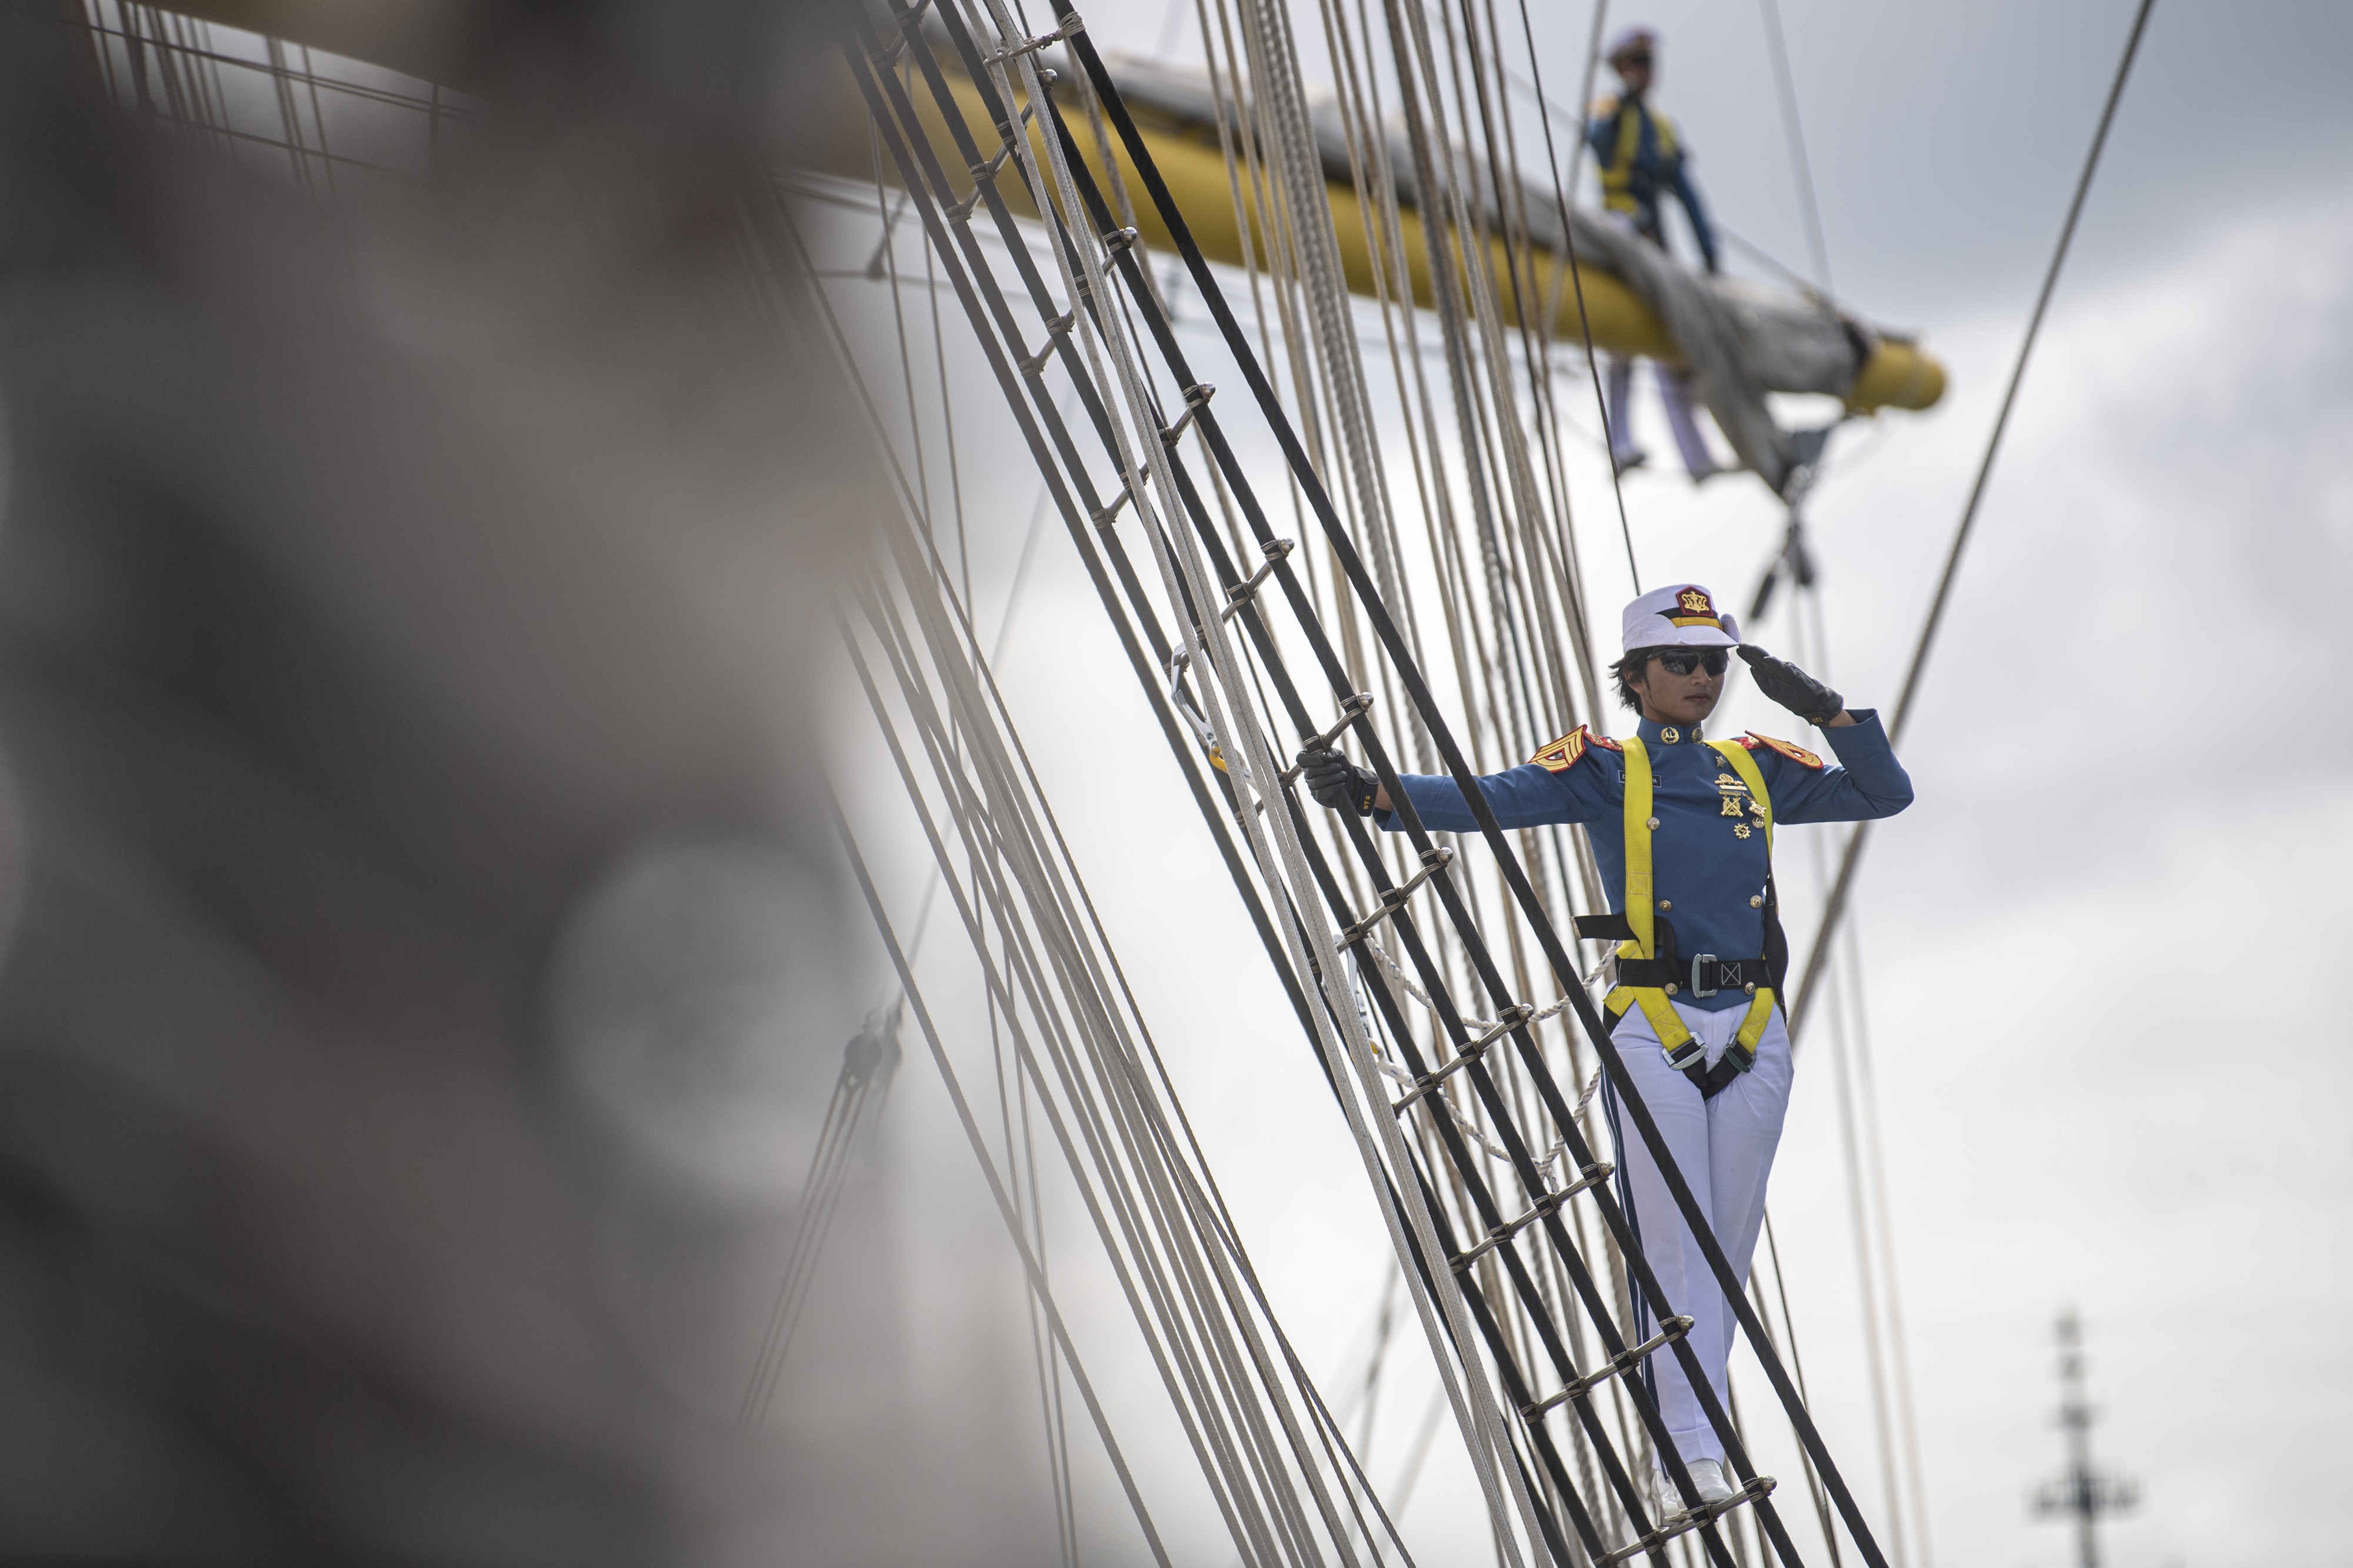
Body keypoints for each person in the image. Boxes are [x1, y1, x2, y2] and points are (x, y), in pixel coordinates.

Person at [1296, 583, 1912, 1511]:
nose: (1702, 677)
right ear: (1637, 675)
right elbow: (1490, 798)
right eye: (1681, 661)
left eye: (1713, 662)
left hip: (1755, 1027)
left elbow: (1885, 793)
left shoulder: (1754, 767)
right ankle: (1686, 1457)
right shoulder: (1601, 768)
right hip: (1654, 1025)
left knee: (1727, 1250)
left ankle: (1693, 1439)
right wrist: (1379, 794)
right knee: (1672, 1243)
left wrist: (1824, 710)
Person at [1587, 27, 1722, 481]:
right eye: (1637, 65)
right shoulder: (1610, 110)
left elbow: (1689, 197)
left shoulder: (1662, 129)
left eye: (1648, 65)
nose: (1646, 73)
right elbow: (1598, 141)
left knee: (1672, 342)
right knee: (1623, 343)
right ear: (1623, 71)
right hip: (1619, 230)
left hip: (1653, 238)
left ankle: (1697, 458)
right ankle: (1619, 442)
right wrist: (1623, 103)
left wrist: (1709, 257)